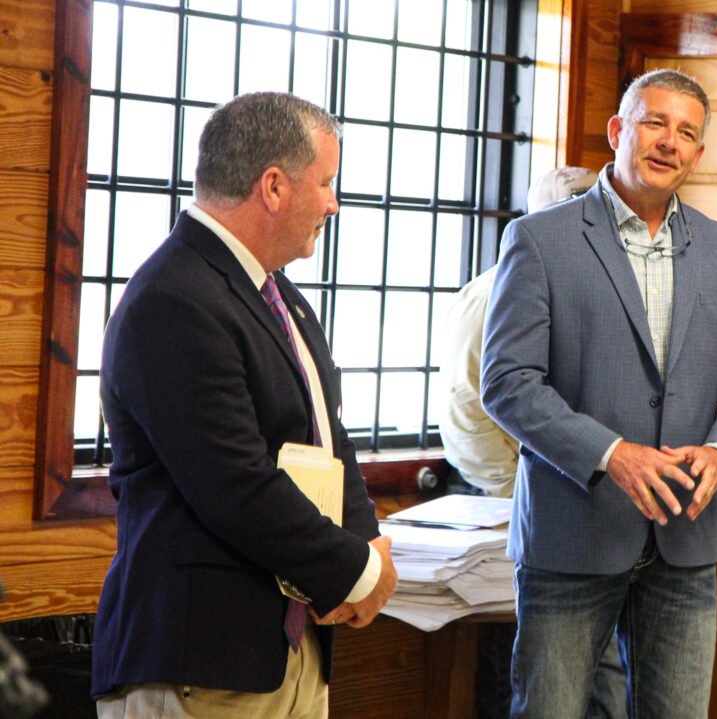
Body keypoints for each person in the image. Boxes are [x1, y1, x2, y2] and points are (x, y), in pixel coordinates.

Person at [91, 92, 397, 719]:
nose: (333, 204)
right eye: (327, 183)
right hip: (201, 653)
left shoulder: (275, 291)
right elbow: (233, 484)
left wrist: (368, 541)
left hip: (292, 640)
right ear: (274, 186)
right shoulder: (174, 298)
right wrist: (356, 571)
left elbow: (326, 435)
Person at [480, 69, 717, 718]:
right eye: (655, 122)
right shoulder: (539, 241)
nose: (670, 142)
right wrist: (613, 452)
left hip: (686, 543)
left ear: (698, 154)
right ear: (619, 130)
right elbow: (506, 382)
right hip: (572, 536)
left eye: (687, 133)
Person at [441, 166, 628, 719]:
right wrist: (516, 488)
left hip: (587, 501)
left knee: (601, 671)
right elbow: (467, 411)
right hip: (507, 498)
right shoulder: (493, 292)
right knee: (530, 670)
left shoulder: (594, 288)